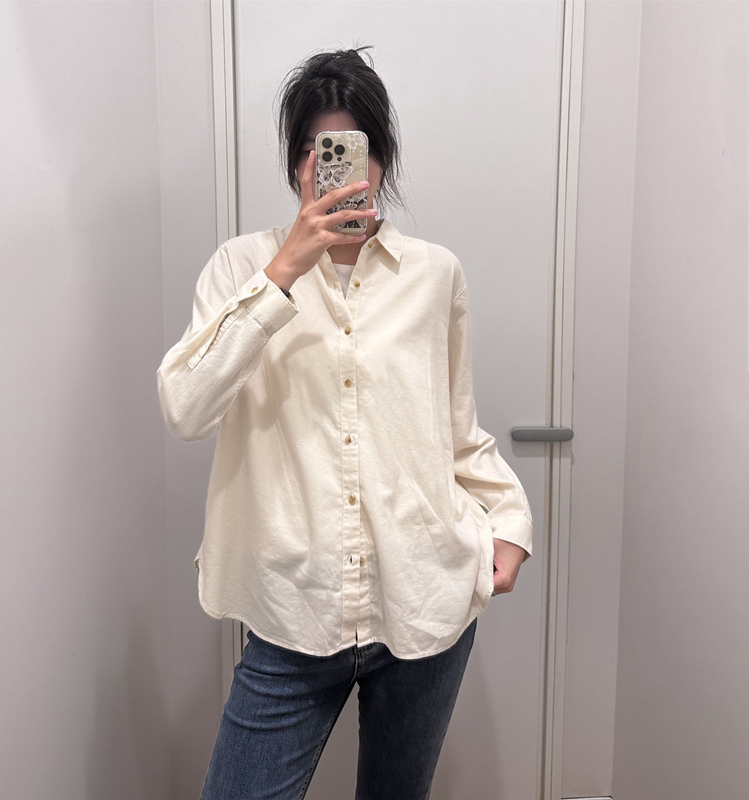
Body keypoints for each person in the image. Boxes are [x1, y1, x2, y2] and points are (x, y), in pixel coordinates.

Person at [157, 46, 532, 800]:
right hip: (291, 611)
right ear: (295, 162)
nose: (324, 168)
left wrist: (511, 523)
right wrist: (282, 275)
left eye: (346, 149)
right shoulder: (240, 267)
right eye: (310, 149)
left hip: (423, 600)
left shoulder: (435, 274)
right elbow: (186, 408)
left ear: (378, 159)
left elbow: (456, 429)